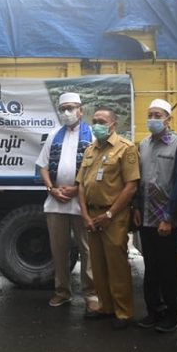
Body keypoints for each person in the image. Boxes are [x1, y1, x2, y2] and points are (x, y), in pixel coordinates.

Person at [77, 107, 140, 329]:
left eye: (101, 121)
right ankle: (105, 306)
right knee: (98, 265)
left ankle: (123, 312)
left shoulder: (125, 148)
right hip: (92, 215)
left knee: (117, 265)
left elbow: (131, 186)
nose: (96, 125)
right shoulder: (90, 149)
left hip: (114, 216)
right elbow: (81, 185)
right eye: (94, 121)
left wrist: (110, 214)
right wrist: (85, 214)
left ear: (113, 124)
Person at [36, 92, 98, 312]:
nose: (67, 113)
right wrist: (51, 189)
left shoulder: (91, 135)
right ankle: (62, 292)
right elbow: (42, 166)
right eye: (63, 109)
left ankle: (91, 294)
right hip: (56, 202)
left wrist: (76, 189)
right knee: (59, 250)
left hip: (81, 203)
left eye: (71, 108)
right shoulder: (54, 135)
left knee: (88, 250)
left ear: (81, 110)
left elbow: (97, 170)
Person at [133, 99, 177, 333]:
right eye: (150, 115)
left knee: (169, 269)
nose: (153, 119)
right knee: (151, 267)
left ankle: (172, 314)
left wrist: (169, 218)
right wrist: (135, 207)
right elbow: (138, 180)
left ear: (168, 119)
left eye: (158, 115)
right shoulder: (143, 144)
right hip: (145, 215)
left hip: (166, 217)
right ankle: (153, 311)